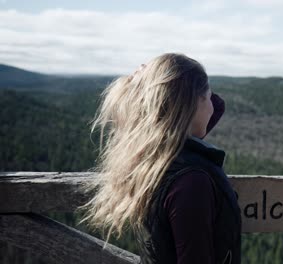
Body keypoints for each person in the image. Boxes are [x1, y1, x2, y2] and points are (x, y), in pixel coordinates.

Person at [77, 53, 242, 264]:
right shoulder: (191, 182)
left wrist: (146, 85)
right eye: (208, 96)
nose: (213, 105)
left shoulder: (157, 158)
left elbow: (215, 108)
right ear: (192, 104)